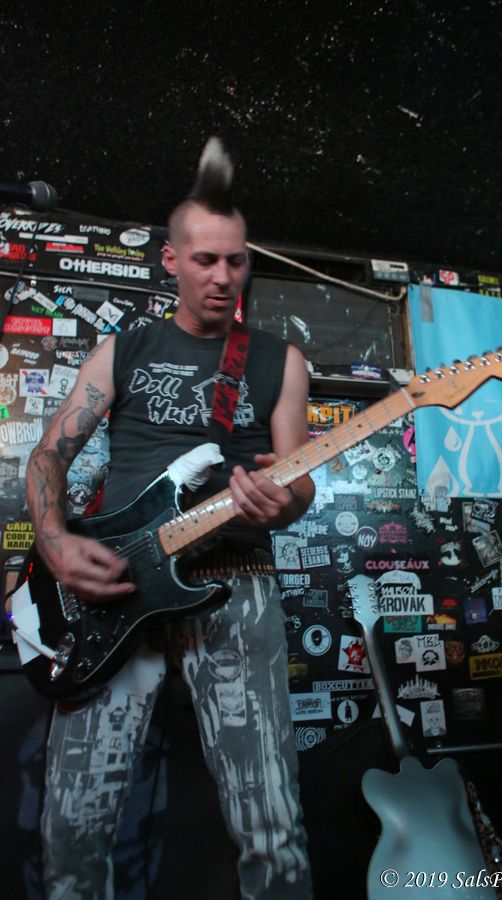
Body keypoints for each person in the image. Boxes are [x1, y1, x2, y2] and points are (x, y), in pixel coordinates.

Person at [25, 138, 315, 900]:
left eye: (236, 261)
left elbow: (299, 483)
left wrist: (285, 500)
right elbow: (47, 458)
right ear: (171, 261)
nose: (223, 276)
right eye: (206, 260)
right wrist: (55, 545)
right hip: (115, 585)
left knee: (272, 827)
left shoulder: (278, 361)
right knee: (72, 831)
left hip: (235, 584)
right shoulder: (122, 351)